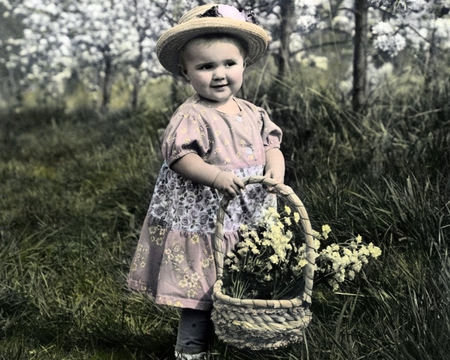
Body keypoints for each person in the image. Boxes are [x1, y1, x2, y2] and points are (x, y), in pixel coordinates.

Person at [127, 4, 285, 359]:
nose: (219, 75)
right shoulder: (192, 115)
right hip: (204, 221)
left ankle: (239, 342)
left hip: (246, 216)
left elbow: (271, 143)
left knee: (244, 280)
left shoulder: (252, 112)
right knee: (201, 290)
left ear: (244, 63)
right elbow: (180, 157)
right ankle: (192, 350)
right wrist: (215, 176)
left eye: (229, 64)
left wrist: (276, 168)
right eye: (205, 66)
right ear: (186, 72)